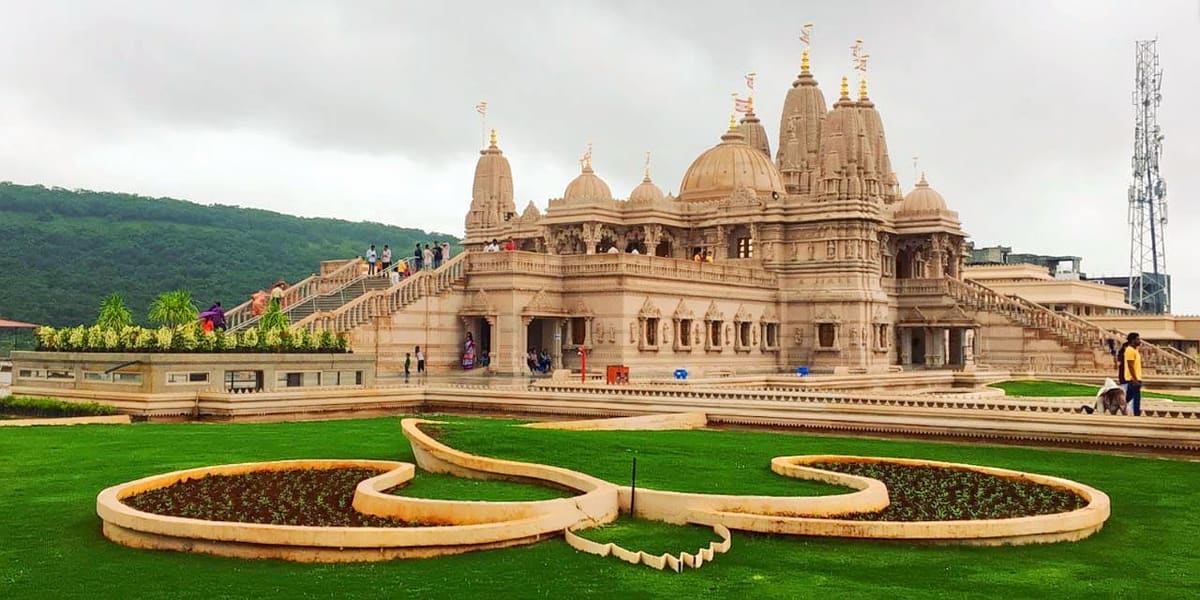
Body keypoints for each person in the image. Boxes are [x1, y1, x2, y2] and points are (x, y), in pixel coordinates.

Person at [1117, 332, 1144, 416]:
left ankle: (1114, 407)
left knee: (1127, 398)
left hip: (1135, 378)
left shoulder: (1135, 350)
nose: (1139, 341)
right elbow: (1130, 366)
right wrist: (1135, 379)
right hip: (1132, 379)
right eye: (1138, 339)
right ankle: (1136, 413)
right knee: (1136, 397)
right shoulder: (1129, 350)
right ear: (1132, 340)